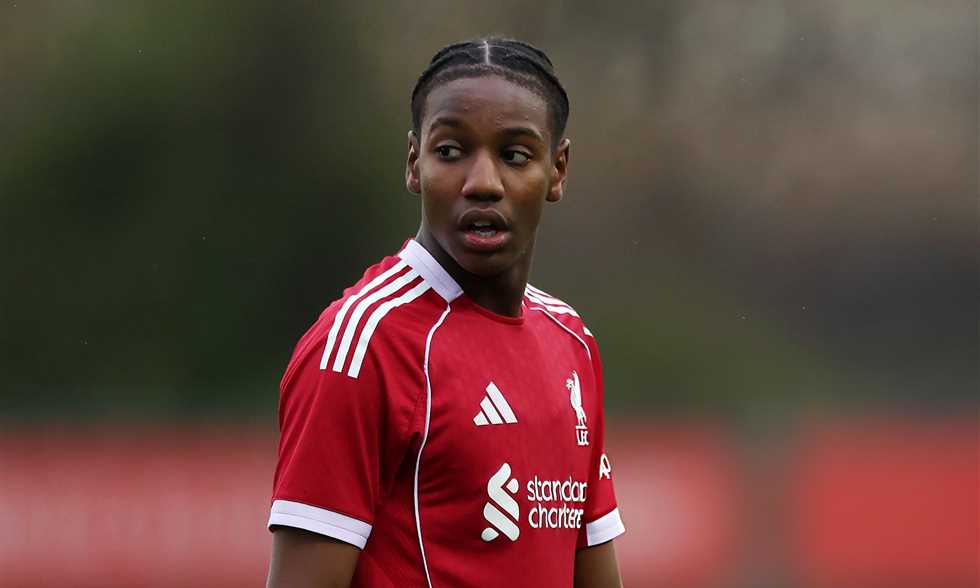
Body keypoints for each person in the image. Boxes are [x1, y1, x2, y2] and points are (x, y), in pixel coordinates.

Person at [266, 38, 625, 588]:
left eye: (515, 155)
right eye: (451, 151)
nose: (482, 183)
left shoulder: (571, 343)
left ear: (557, 170)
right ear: (415, 164)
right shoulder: (363, 347)